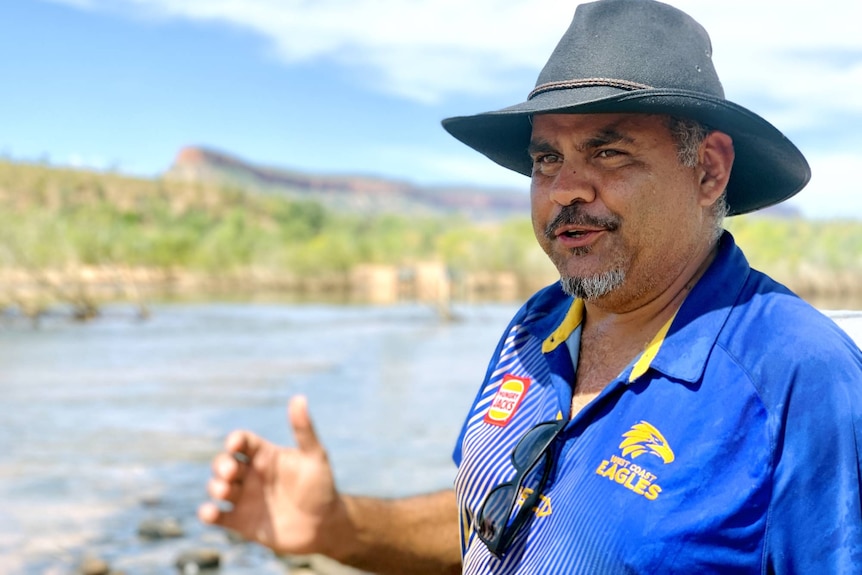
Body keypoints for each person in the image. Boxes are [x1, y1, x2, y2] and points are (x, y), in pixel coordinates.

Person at [198, 0, 862, 572]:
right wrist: (343, 526)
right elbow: (504, 518)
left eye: (608, 151)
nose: (566, 189)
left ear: (709, 170)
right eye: (547, 158)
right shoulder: (539, 324)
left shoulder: (801, 377)